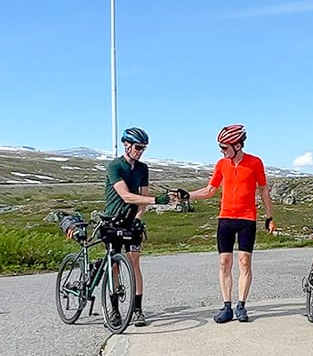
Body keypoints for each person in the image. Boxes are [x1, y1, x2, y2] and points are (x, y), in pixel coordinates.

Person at [184, 124, 276, 323]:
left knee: (244, 261)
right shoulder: (221, 164)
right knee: (224, 263)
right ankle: (226, 306)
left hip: (247, 219)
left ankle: (241, 305)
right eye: (220, 148)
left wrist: (269, 216)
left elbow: (263, 190)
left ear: (238, 145)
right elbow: (210, 190)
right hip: (225, 218)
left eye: (225, 147)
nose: (222, 151)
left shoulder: (255, 162)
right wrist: (188, 195)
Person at [101, 127, 170, 327]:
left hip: (132, 221)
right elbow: (126, 195)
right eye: (138, 147)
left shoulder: (142, 169)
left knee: (134, 264)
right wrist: (156, 199)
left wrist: (140, 216)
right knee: (113, 265)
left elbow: (142, 198)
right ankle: (114, 310)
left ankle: (137, 309)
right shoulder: (115, 166)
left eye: (143, 148)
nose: (140, 151)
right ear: (127, 145)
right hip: (113, 220)